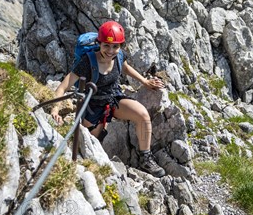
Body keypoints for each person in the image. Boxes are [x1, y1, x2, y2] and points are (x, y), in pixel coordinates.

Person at [51, 21, 166, 178]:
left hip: (113, 99)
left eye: (115, 47)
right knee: (91, 144)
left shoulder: (119, 56)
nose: (111, 51)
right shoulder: (87, 62)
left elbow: (124, 67)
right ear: (99, 43)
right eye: (106, 46)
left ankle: (146, 159)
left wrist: (145, 81)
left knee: (143, 115)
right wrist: (55, 108)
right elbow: (62, 87)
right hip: (93, 106)